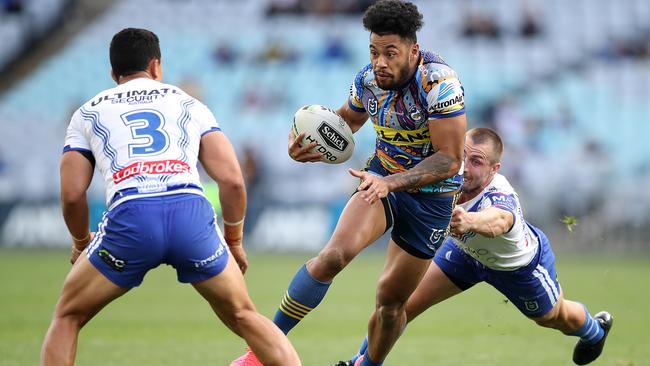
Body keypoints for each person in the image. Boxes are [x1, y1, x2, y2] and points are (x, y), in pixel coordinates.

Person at [40, 28, 301, 366]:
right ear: (156, 66)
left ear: (113, 73)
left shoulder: (87, 113)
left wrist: (79, 241)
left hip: (131, 215)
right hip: (189, 213)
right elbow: (233, 180)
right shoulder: (189, 104)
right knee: (243, 314)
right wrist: (233, 241)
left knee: (67, 316)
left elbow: (73, 194)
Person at [231, 1, 466, 365]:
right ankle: (261, 354)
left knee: (390, 305)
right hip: (380, 182)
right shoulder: (367, 81)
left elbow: (450, 158)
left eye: (391, 53)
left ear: (413, 50)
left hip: (432, 202)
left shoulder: (439, 84)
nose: (380, 62)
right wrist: (309, 146)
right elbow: (346, 123)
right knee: (332, 257)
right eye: (374, 52)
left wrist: (393, 183)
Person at [338, 128, 613, 366]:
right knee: (400, 305)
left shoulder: (500, 194)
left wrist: (469, 220)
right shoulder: (447, 172)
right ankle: (362, 362)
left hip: (519, 269)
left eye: (477, 161)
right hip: (465, 255)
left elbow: (499, 220)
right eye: (464, 155)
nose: (465, 167)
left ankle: (595, 331)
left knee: (553, 317)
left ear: (495, 169)